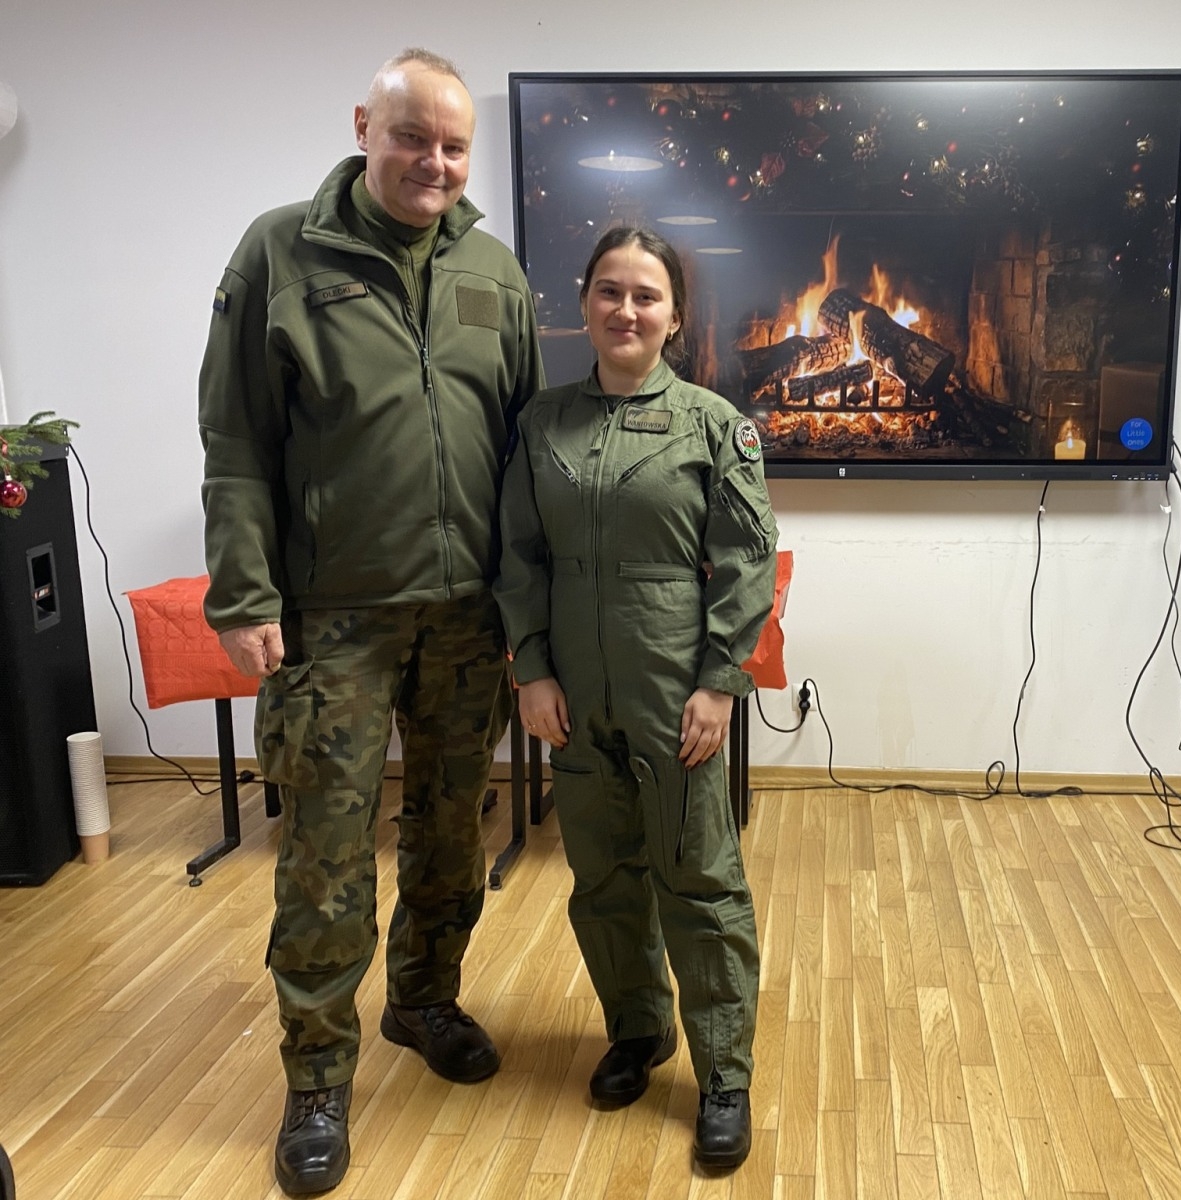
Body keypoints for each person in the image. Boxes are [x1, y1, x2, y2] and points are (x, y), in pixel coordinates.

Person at [198, 49, 542, 1196]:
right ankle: (315, 1079)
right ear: (363, 127)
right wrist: (244, 594)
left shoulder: (495, 269)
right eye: (412, 137)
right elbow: (236, 441)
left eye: (453, 146)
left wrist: (526, 606)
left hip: (466, 617)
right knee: (325, 855)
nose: (434, 162)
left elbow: (525, 452)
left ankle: (424, 1001)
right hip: (331, 618)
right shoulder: (278, 253)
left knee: (450, 834)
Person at [495, 226, 776, 1169]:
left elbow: (747, 562)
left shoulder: (713, 425)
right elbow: (518, 555)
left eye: (646, 295)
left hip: (672, 685)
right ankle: (637, 1030)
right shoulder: (542, 424)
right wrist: (531, 667)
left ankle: (724, 1072)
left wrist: (719, 683)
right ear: (584, 305)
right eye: (609, 291)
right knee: (605, 878)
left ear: (675, 317)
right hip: (574, 692)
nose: (626, 310)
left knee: (699, 879)